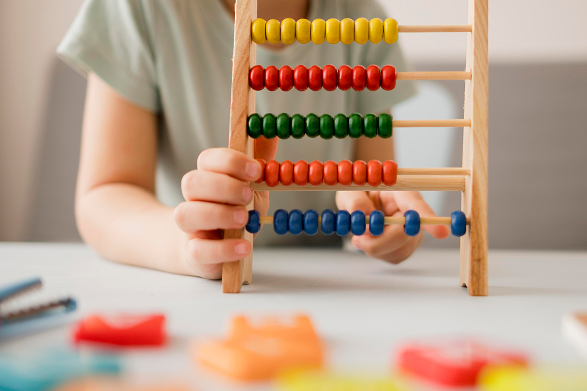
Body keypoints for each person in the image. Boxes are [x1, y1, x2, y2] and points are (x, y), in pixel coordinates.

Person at [57, 0, 449, 280]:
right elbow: (104, 195)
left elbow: (373, 181)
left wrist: (384, 217)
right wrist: (186, 246)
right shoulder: (136, 8)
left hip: (326, 294)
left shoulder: (363, 24)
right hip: (184, 288)